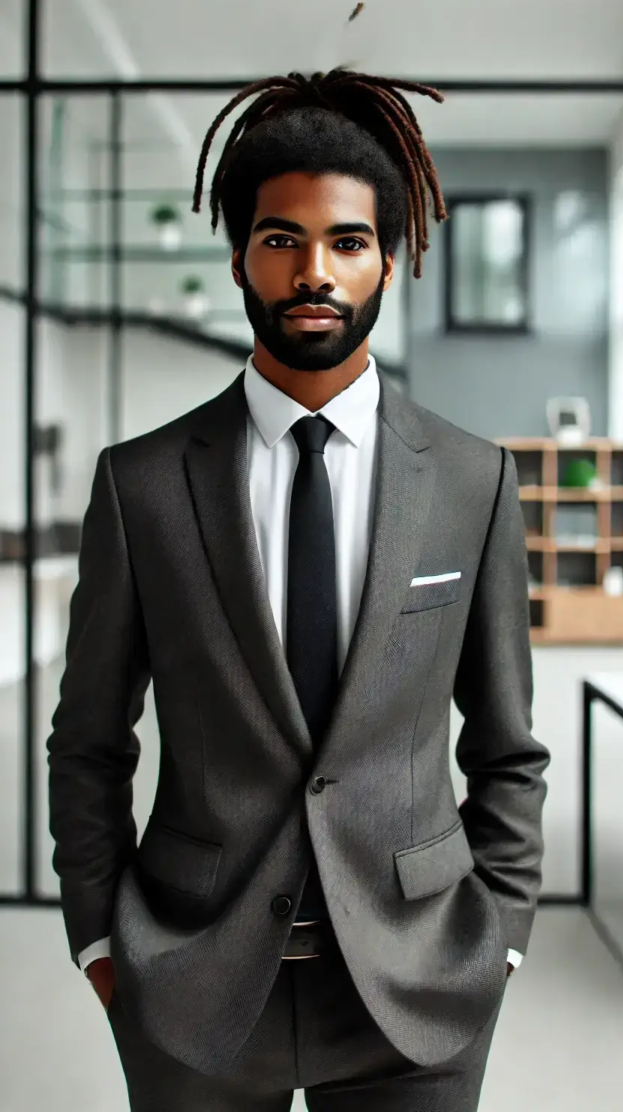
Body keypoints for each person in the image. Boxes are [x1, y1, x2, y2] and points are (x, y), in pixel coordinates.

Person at [48, 67, 550, 1111]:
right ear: (240, 255)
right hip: (190, 981)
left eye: (348, 242)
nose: (313, 271)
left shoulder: (472, 480)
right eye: (282, 240)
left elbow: (506, 745)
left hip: (418, 985)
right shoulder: (140, 485)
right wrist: (100, 939)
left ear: (390, 258)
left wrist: (498, 938)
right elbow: (90, 737)